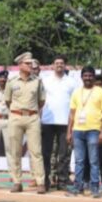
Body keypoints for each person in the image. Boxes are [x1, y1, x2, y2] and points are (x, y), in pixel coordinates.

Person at [4, 53, 46, 194]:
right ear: (20, 65)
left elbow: (41, 101)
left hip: (32, 117)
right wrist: (18, 111)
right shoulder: (12, 81)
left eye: (31, 63)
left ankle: (40, 182)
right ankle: (17, 182)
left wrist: (31, 111)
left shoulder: (37, 81)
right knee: (15, 151)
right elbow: (8, 101)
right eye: (27, 63)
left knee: (36, 151)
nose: (31, 65)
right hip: (15, 117)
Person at [66, 66, 102, 197]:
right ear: (81, 77)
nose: (88, 78)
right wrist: (69, 131)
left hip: (94, 130)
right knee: (79, 161)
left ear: (94, 77)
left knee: (93, 161)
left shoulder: (101, 92)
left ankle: (94, 188)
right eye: (85, 76)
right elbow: (71, 114)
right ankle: (77, 187)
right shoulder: (76, 92)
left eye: (90, 75)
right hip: (78, 130)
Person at [41, 56, 76, 191]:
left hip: (65, 122)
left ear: (65, 65)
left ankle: (62, 181)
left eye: (62, 63)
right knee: (46, 153)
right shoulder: (45, 80)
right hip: (47, 121)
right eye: (57, 63)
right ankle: (45, 181)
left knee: (64, 154)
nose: (59, 65)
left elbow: (75, 103)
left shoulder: (72, 82)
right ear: (52, 65)